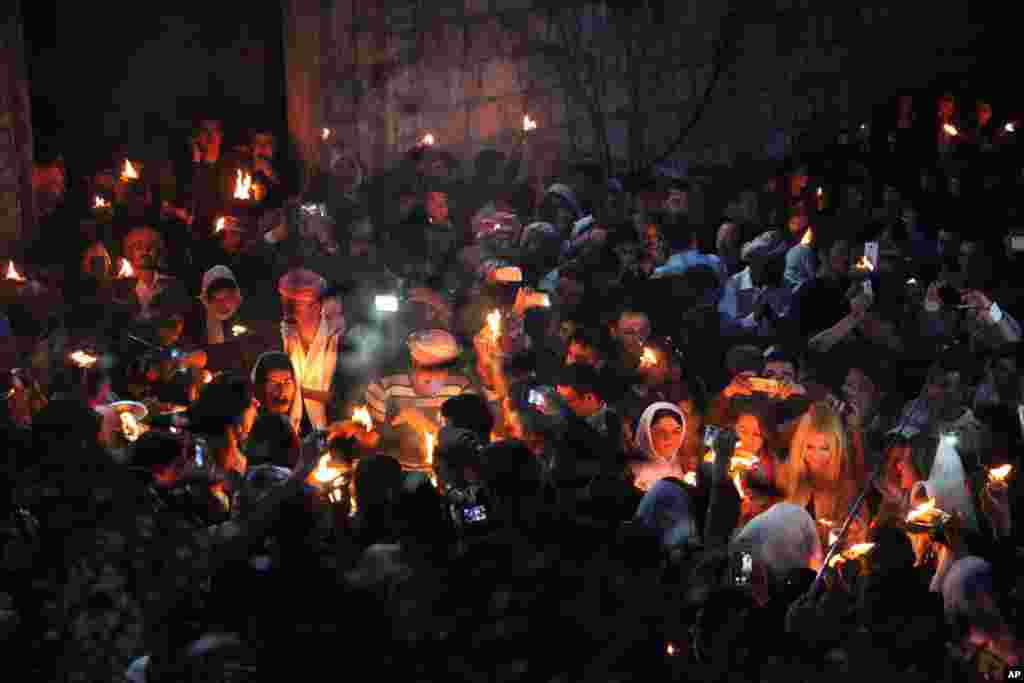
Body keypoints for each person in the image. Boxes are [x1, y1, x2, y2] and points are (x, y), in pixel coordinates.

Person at [366, 329, 474, 467]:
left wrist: (423, 424)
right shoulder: (384, 388)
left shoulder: (461, 390)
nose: (432, 375)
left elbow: (468, 446)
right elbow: (370, 446)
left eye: (440, 366)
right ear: (413, 359)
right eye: (425, 366)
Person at [775, 402, 864, 537]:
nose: (816, 456)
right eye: (809, 447)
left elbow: (856, 533)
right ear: (800, 446)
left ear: (835, 448)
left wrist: (850, 530)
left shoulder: (845, 484)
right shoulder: (785, 475)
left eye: (824, 448)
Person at [277, 268, 348, 433]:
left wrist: (298, 391)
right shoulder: (282, 336)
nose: (289, 314)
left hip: (332, 431)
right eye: (286, 305)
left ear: (316, 306)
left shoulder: (338, 341)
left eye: (296, 306)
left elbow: (341, 397)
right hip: (291, 433)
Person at [120, 226, 186, 321]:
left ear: (158, 252)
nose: (145, 251)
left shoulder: (173, 285)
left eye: (150, 247)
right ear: (129, 251)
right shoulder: (121, 286)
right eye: (138, 247)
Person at [630, 402, 689, 491]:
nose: (669, 439)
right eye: (661, 432)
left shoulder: (678, 465)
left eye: (676, 431)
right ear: (646, 434)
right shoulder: (635, 475)